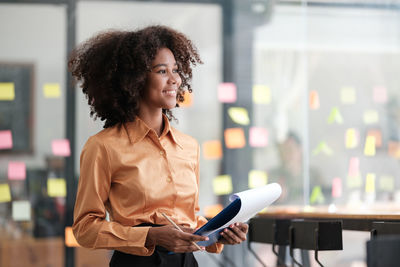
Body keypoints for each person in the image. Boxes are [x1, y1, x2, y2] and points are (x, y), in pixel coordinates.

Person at [69, 25, 248, 267]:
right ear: (135, 79)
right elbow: (85, 229)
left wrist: (220, 234)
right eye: (162, 71)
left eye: (175, 70)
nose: (174, 79)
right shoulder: (103, 147)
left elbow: (191, 217)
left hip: (187, 262)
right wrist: (151, 235)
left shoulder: (188, 146)